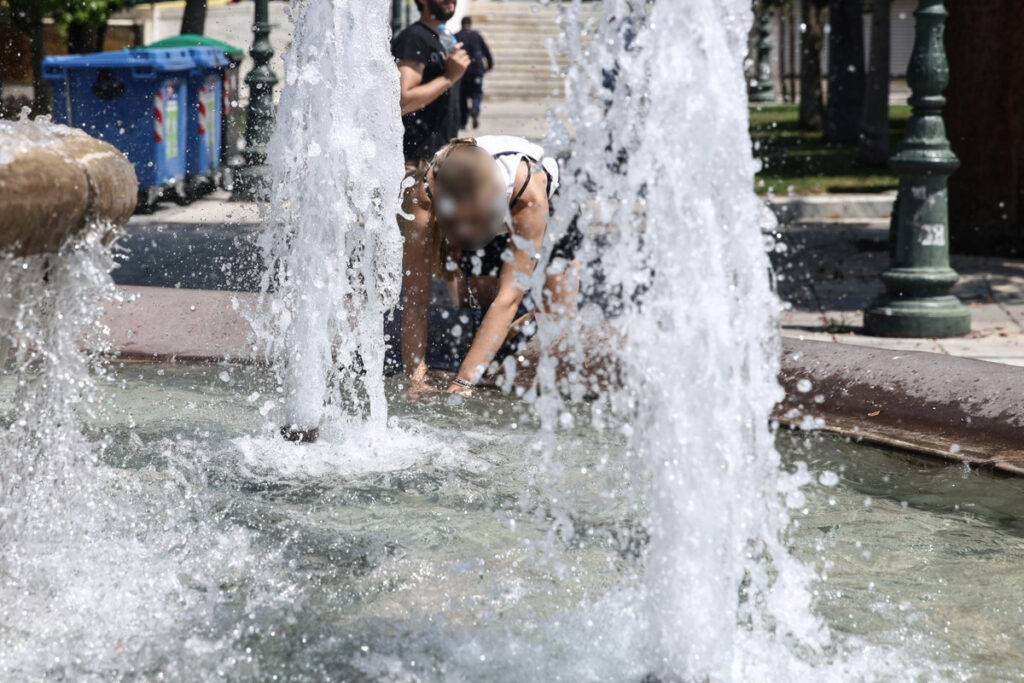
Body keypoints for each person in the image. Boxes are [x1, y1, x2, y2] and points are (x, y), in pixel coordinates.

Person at [400, 135, 581, 396]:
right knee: (474, 299)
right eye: (453, 222)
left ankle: (540, 292)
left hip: (551, 202)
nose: (465, 231)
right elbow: (415, 298)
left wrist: (462, 384)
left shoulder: (527, 192)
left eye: (472, 222)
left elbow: (508, 298)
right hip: (487, 210)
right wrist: (415, 379)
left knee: (558, 322)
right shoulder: (424, 198)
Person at [392, 0, 470, 183]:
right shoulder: (414, 38)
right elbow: (403, 101)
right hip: (417, 161)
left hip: (442, 156)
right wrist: (449, 77)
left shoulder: (445, 37)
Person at [455, 16, 494, 130]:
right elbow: (486, 51)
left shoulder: (457, 36)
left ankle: (463, 123)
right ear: (470, 24)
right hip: (477, 70)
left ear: (462, 24)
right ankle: (475, 109)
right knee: (476, 93)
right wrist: (489, 65)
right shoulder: (476, 36)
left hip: (462, 71)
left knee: (462, 97)